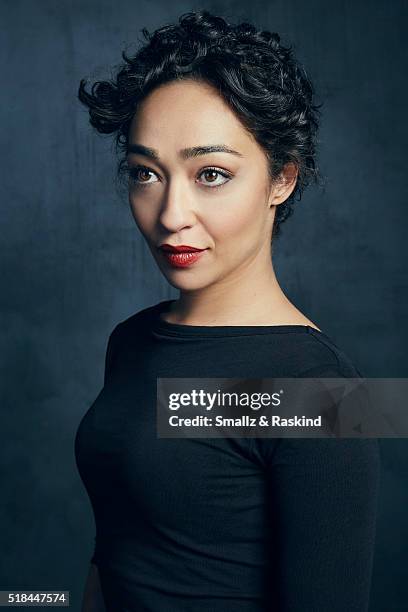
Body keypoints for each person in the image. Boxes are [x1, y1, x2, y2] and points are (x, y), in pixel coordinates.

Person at [74, 9, 381, 612]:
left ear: (281, 179)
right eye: (146, 174)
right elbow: (117, 554)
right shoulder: (133, 340)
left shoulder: (319, 392)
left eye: (211, 173)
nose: (170, 215)